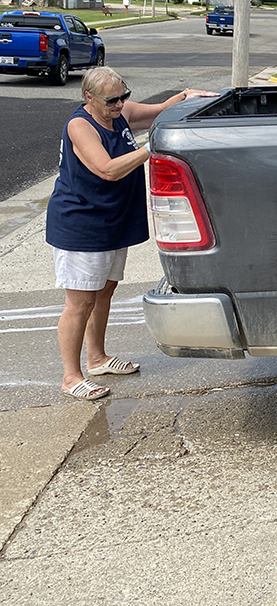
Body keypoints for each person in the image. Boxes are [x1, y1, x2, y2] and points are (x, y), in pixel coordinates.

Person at [46, 67, 218, 401]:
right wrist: (152, 147)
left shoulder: (119, 112)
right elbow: (108, 170)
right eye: (112, 100)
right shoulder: (80, 126)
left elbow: (158, 111)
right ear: (89, 97)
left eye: (124, 95)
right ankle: (71, 376)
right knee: (80, 301)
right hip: (82, 223)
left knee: (105, 291)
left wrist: (185, 97)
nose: (120, 104)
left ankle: (97, 359)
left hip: (113, 220)